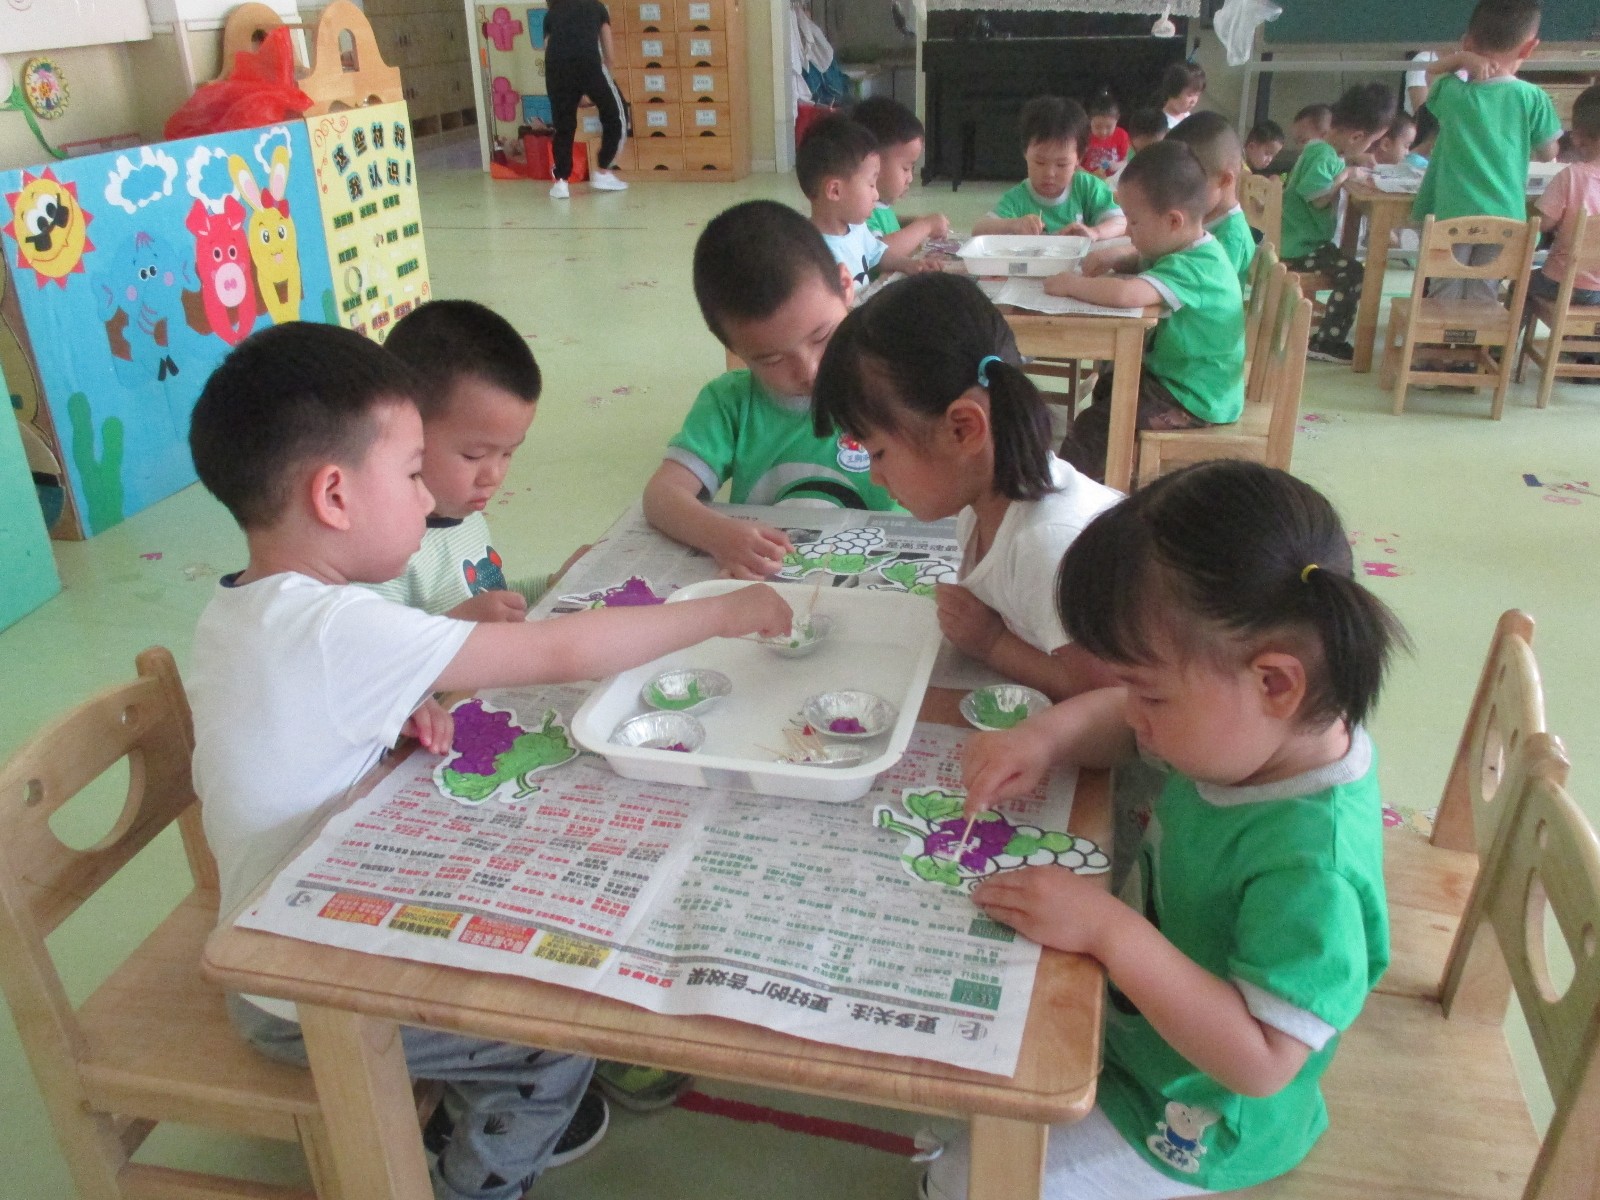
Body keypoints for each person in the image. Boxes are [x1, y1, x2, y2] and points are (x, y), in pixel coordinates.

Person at [187, 322, 791, 1200]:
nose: (424, 495)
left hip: (281, 925)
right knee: (559, 1032)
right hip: (304, 992)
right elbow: (560, 651)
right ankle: (475, 1181)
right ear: (334, 495)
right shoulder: (336, 628)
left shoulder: (252, 608)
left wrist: (390, 719)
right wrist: (723, 612)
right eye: (409, 473)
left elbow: (294, 725)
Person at [925, 458, 1404, 1200]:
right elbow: (1118, 718)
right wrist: (1043, 739)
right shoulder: (1256, 732)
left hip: (1193, 1116)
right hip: (1129, 1032)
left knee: (965, 1182)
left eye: (1151, 695)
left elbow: (1262, 1061)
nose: (1134, 714)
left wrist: (1107, 929)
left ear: (1275, 683)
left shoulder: (1314, 867)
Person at [812, 272, 1120, 702]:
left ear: (963, 429)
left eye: (878, 454)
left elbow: (1109, 696)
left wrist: (992, 643)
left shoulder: (1044, 545)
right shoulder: (982, 510)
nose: (874, 477)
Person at [641, 201, 901, 578]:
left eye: (821, 336)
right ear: (734, 348)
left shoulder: (896, 383)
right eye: (772, 359)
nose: (809, 370)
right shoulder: (730, 403)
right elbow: (662, 496)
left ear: (846, 286)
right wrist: (718, 535)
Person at [1046, 141, 1245, 482]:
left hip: (1195, 397)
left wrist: (1070, 285)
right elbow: (1143, 262)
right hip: (1180, 377)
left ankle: (1070, 493)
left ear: (1173, 221)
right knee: (1110, 384)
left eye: (1134, 222)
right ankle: (1113, 470)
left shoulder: (1197, 267)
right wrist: (1116, 256)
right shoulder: (1186, 247)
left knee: (1095, 424)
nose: (1127, 230)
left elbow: (1127, 294)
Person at [370, 300, 547, 620]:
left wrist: (553, 584)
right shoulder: (381, 552)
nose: (493, 475)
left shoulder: (466, 516)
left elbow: (488, 599)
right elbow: (380, 646)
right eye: (473, 455)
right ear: (405, 429)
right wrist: (458, 625)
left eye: (508, 453)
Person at [1413, 0, 1562, 304]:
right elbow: (1549, 152)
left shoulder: (1453, 92)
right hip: (1505, 217)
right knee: (1484, 292)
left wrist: (1461, 58)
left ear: (1467, 42)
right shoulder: (1533, 97)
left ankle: (1439, 335)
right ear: (1529, 48)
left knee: (1443, 290)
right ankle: (1475, 333)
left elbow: (1430, 74)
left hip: (1451, 215)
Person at [1279, 83, 1396, 363]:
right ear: (1356, 136)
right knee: (1355, 275)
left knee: (1348, 267)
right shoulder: (1323, 155)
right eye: (1371, 143)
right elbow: (1318, 198)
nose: (1369, 148)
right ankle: (1327, 341)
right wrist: (1346, 175)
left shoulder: (1322, 150)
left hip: (1296, 240)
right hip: (1300, 247)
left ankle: (1327, 335)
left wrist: (1348, 162)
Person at [794, 113, 933, 287]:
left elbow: (878, 255)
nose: (876, 195)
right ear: (835, 191)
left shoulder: (857, 229)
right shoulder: (810, 252)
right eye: (871, 185)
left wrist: (908, 264)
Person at [972, 97, 1127, 240]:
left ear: (1078, 159)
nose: (1049, 173)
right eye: (1039, 162)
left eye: (1061, 164)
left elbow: (1121, 222)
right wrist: (1013, 224)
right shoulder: (1019, 198)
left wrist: (1095, 232)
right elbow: (978, 230)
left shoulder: (1087, 187)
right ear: (1025, 153)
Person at [541, 0, 628, 199]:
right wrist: (600, 84)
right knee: (615, 115)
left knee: (564, 125)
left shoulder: (551, 15)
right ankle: (604, 170)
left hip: (556, 70)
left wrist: (573, 91)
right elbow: (609, 54)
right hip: (588, 64)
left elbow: (549, 50)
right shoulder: (596, 7)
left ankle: (561, 182)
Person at [851, 95, 952, 259]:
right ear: (873, 162)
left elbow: (883, 224)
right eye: (906, 168)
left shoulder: (879, 206)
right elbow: (879, 255)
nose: (910, 178)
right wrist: (924, 226)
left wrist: (910, 223)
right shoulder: (858, 210)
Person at [1168, 111, 1254, 288]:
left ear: (1224, 180)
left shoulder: (1232, 235)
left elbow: (1202, 288)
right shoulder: (1203, 214)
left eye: (1188, 185)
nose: (1176, 194)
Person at [1532, 84, 1600, 306]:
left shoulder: (1571, 176)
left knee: (1521, 285)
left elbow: (1541, 224)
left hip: (1565, 283)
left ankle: (1513, 329)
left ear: (1577, 138)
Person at [1264, 104, 1332, 176]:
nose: (1300, 147)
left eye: (1304, 141)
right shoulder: (1305, 162)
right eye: (1297, 142)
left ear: (1325, 136)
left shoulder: (1325, 165)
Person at [1109, 107, 1170, 187]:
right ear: (1130, 143)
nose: (1150, 158)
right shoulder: (1125, 175)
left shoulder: (1173, 169)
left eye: (1156, 150)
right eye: (1143, 152)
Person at [1085, 89, 1131, 178]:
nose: (1103, 132)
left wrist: (1116, 166)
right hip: (1090, 177)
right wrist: (1089, 175)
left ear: (1117, 120)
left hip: (1113, 178)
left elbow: (1127, 161)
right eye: (1097, 127)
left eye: (1109, 127)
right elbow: (1077, 163)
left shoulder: (1121, 135)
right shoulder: (1085, 135)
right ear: (1090, 121)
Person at [1159, 60, 1207, 129]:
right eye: (1190, 95)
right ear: (1173, 90)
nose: (1194, 101)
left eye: (1197, 95)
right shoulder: (1164, 125)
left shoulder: (1186, 114)